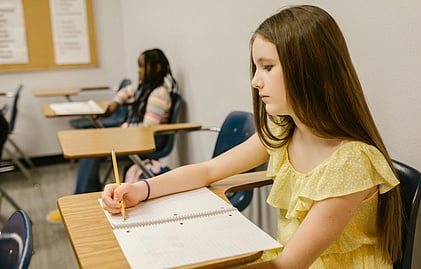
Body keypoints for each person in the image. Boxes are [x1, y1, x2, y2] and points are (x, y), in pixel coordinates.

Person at [101, 5, 404, 268]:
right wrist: (142, 189)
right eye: (257, 67)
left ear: (310, 71)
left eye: (268, 67)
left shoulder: (350, 162)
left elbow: (288, 265)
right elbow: (208, 170)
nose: (255, 81)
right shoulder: (283, 130)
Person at [47, 48, 177, 223]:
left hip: (147, 140)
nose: (138, 71)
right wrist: (116, 102)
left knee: (93, 148)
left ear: (156, 68)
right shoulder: (144, 87)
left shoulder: (159, 94)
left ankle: (81, 200)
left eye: (141, 67)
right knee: (91, 146)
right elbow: (126, 91)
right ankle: (87, 198)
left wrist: (121, 132)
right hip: (130, 135)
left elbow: (147, 129)